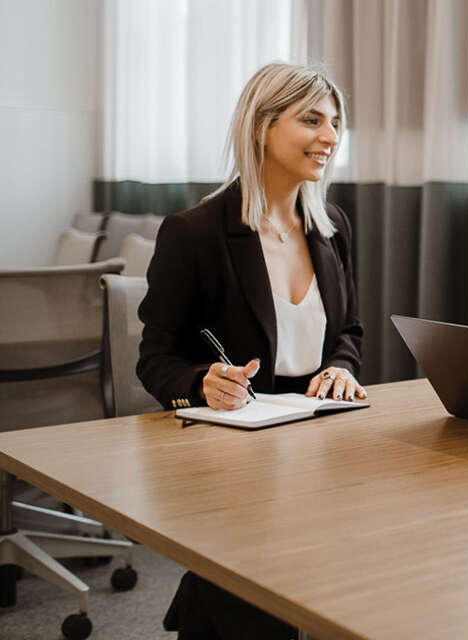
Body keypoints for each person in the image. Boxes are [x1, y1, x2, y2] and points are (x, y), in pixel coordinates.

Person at [136, 62, 363, 639]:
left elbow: (349, 333)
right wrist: (201, 383)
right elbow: (156, 356)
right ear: (262, 126)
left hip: (319, 441)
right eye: (311, 120)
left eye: (334, 122)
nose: (330, 137)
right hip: (235, 448)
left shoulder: (331, 225)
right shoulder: (194, 232)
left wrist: (339, 368)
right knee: (252, 604)